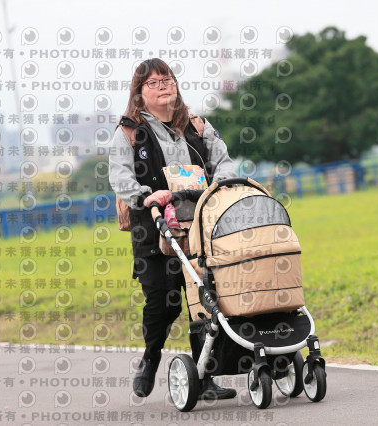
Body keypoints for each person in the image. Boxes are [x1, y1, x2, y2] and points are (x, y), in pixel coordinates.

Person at [108, 58, 238, 400]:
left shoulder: (197, 124)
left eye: (167, 80)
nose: (163, 86)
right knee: (163, 304)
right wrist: (146, 196)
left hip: (201, 227)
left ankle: (204, 376)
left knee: (204, 301)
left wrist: (222, 185)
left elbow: (222, 161)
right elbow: (120, 176)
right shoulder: (129, 132)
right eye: (153, 83)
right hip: (154, 230)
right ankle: (151, 358)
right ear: (139, 93)